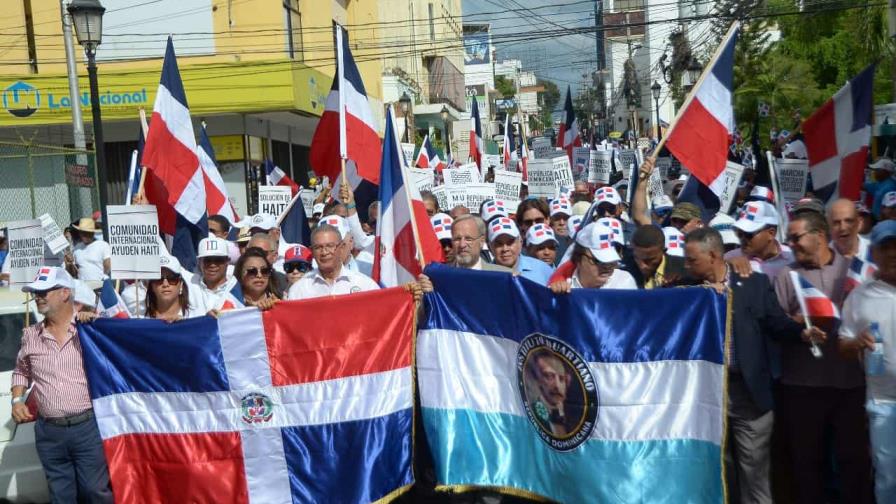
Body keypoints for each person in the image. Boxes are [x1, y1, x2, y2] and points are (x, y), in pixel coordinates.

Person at [681, 228, 820, 504]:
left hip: (749, 393)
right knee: (712, 468)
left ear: (712, 256)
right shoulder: (685, 289)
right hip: (705, 396)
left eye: (692, 260)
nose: (687, 265)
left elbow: (776, 323)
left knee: (753, 471)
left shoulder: (753, 284)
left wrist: (801, 333)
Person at [772, 211, 873, 504]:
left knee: (853, 463)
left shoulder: (854, 272)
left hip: (850, 387)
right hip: (801, 388)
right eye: (789, 239)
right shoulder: (785, 276)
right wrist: (797, 324)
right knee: (807, 466)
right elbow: (774, 325)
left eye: (796, 237)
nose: (791, 244)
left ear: (819, 236)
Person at [11, 266, 113, 503]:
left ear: (65, 292)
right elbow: (21, 370)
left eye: (45, 291)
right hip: (49, 432)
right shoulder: (30, 335)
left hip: (87, 428)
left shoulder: (89, 330)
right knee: (61, 496)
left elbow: (124, 347)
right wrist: (17, 399)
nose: (38, 296)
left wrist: (95, 321)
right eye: (36, 292)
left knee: (95, 492)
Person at [838, 220, 896, 503]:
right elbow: (842, 344)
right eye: (886, 247)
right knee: (888, 479)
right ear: (874, 253)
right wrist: (857, 342)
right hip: (883, 403)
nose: (893, 253)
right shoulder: (860, 297)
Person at [287, 224, 379, 299]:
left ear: (342, 248)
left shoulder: (365, 286)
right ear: (312, 252)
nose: (324, 252)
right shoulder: (299, 290)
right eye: (318, 247)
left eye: (330, 246)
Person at [549, 223, 636, 292]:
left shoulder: (624, 282)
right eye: (598, 261)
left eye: (611, 261)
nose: (607, 267)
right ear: (578, 258)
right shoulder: (562, 287)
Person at [725, 201, 793, 279]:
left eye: (748, 234)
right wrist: (726, 265)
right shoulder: (731, 257)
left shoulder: (792, 258)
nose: (743, 239)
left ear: (771, 233)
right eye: (740, 233)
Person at [525, 348, 578, 436]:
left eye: (561, 378)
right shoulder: (531, 412)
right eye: (549, 377)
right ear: (538, 380)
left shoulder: (574, 418)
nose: (557, 386)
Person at [487, 217, 553, 284]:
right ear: (490, 247)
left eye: (510, 242)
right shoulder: (484, 275)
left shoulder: (543, 269)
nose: (505, 249)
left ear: (520, 242)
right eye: (499, 244)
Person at [622, 224, 688, 289]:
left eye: (649, 260)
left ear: (663, 251)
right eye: (636, 258)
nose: (642, 266)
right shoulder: (624, 273)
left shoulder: (686, 270)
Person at [145, 256, 203, 321]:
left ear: (181, 285)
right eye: (159, 279)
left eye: (172, 279)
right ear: (151, 286)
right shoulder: (141, 319)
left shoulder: (198, 315)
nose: (165, 284)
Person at [192, 237, 237, 310]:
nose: (212, 265)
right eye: (207, 260)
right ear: (199, 262)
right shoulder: (190, 287)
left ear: (227, 261)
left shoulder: (238, 289)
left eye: (218, 260)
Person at [68, 217, 111, 283]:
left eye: (87, 232)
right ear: (79, 233)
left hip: (100, 285)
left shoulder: (102, 245)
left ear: (93, 233)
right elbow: (74, 272)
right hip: (83, 286)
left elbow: (107, 266)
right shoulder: (77, 248)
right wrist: (69, 263)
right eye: (82, 232)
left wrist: (102, 279)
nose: (84, 235)